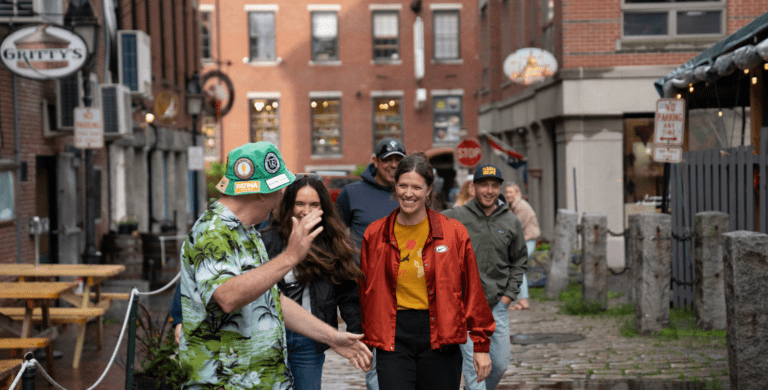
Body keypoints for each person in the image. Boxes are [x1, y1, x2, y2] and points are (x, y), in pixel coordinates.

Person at [178, 142, 372, 389]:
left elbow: (273, 300)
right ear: (259, 192)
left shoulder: (248, 233)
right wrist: (290, 257)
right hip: (225, 381)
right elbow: (227, 296)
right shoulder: (212, 232)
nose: (281, 197)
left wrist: (331, 337)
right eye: (278, 190)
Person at [359, 154, 495, 390]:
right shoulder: (375, 233)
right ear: (395, 186)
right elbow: (365, 291)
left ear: (429, 189)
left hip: (441, 335)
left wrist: (481, 345)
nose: (408, 193)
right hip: (393, 336)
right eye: (403, 185)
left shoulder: (453, 232)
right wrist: (365, 339)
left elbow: (471, 289)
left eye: (416, 187)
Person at [261, 174, 363, 390]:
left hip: (309, 338)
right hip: (268, 338)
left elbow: (348, 294)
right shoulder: (265, 241)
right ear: (289, 205)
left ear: (323, 207)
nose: (306, 211)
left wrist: (356, 332)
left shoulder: (333, 242)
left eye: (314, 204)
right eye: (299, 203)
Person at [442, 165, 527, 390]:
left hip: (496, 307)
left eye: (494, 185)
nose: (489, 190)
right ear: (473, 187)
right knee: (475, 371)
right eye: (483, 185)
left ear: (500, 188)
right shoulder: (455, 217)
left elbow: (519, 261)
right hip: (466, 308)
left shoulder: (511, 221)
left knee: (498, 365)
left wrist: (508, 297)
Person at [336, 137, 406, 390]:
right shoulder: (351, 194)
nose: (394, 165)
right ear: (375, 161)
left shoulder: (409, 191)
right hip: (366, 292)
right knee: (376, 365)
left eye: (399, 160)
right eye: (388, 160)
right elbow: (336, 235)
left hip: (409, 290)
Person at [504, 182, 541, 311]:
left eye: (511, 192)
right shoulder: (513, 206)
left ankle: (524, 300)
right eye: (506, 192)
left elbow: (514, 228)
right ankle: (522, 299)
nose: (508, 194)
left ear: (517, 192)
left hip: (528, 241)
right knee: (517, 268)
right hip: (523, 241)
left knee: (518, 268)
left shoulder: (521, 206)